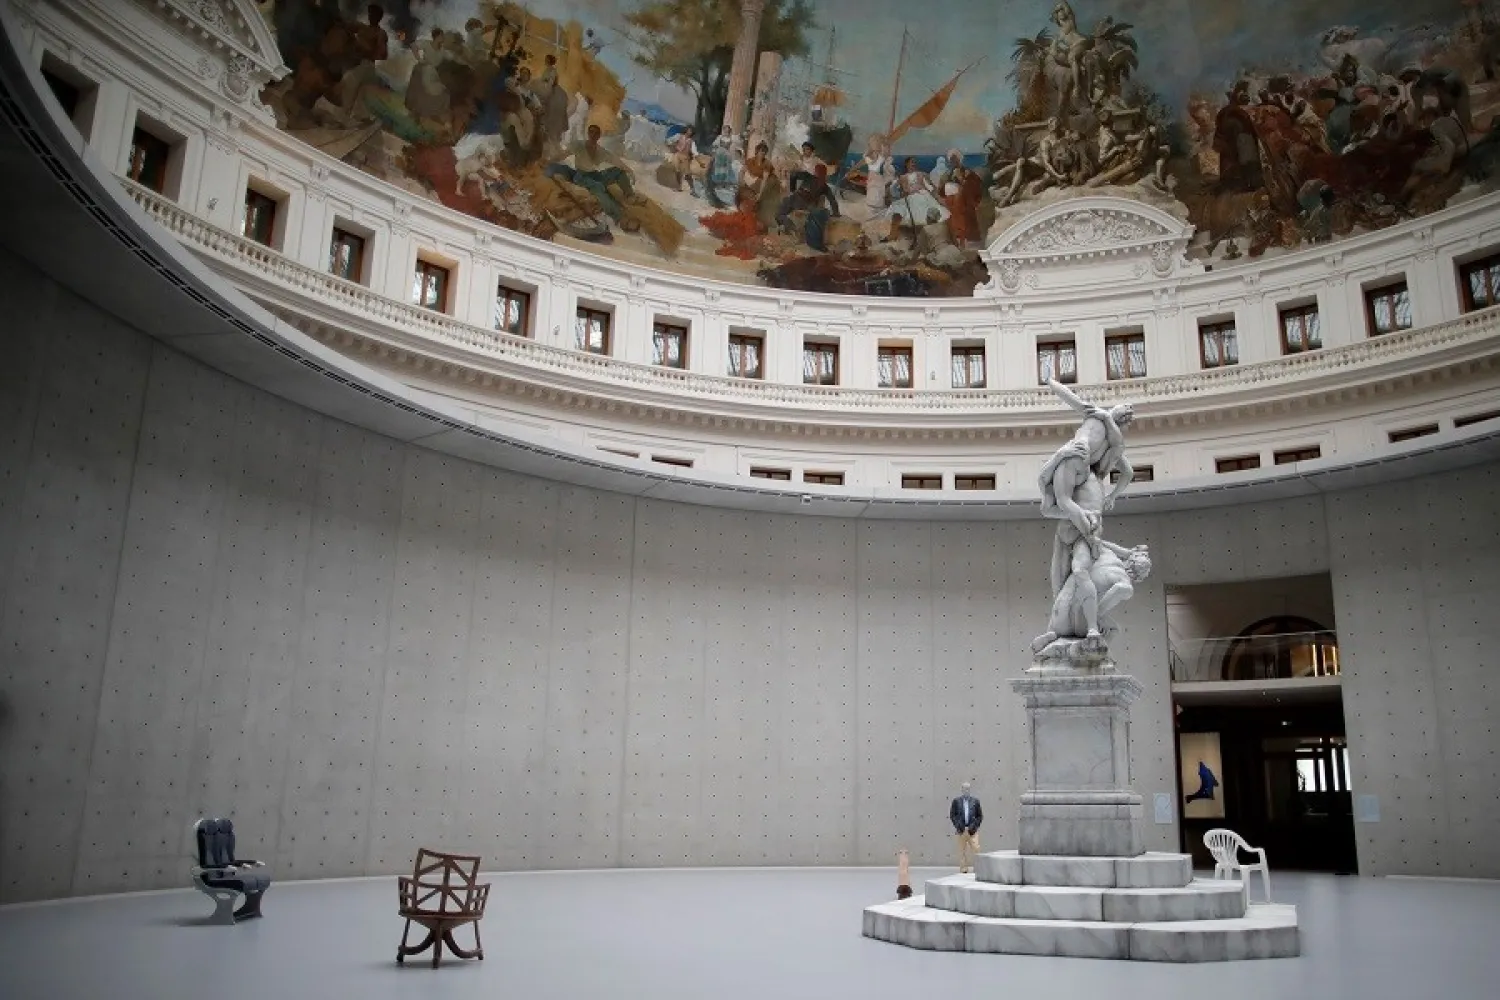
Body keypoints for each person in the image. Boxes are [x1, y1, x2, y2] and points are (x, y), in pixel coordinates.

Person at [545, 124, 644, 222]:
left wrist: (629, 170)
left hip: (594, 174)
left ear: (599, 136)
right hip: (581, 177)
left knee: (618, 172)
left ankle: (629, 195)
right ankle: (617, 216)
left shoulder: (600, 151)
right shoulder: (578, 145)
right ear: (588, 133)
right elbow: (562, 155)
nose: (593, 135)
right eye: (591, 132)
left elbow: (615, 160)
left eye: (596, 133)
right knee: (598, 187)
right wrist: (548, 161)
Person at [776, 162, 840, 250]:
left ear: (815, 172)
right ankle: (791, 228)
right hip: (803, 203)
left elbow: (793, 174)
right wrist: (836, 213)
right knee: (781, 211)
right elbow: (833, 201)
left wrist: (792, 189)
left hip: (799, 201)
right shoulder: (824, 186)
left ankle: (792, 228)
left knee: (779, 214)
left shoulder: (809, 177)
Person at [949, 781, 983, 874]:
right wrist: (957, 825)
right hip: (961, 830)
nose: (966, 790)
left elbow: (980, 816)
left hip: (972, 830)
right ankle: (964, 869)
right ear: (962, 790)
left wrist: (975, 826)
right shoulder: (956, 801)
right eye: (964, 788)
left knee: (976, 848)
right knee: (961, 850)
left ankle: (978, 868)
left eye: (968, 789)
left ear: (970, 790)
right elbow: (952, 815)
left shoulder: (975, 801)